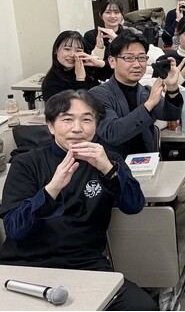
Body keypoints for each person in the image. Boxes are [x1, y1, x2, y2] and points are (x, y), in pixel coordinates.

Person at [0, 90, 157, 310]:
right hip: (25, 264)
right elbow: (15, 228)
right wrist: (52, 188)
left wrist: (108, 170)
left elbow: (134, 205)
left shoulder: (109, 160)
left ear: (96, 125)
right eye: (67, 119)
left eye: (87, 119)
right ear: (51, 126)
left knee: (142, 306)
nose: (77, 128)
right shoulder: (27, 163)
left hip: (86, 264)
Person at [90, 31, 185, 216]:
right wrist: (148, 105)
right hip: (115, 175)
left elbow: (171, 114)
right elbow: (113, 133)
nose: (137, 64)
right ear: (112, 61)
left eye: (142, 58)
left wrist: (172, 88)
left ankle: (153, 222)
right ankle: (145, 222)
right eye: (129, 58)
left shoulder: (144, 91)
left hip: (147, 169)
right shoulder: (98, 94)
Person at [43, 30, 103, 101]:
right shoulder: (51, 83)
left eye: (78, 51)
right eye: (67, 49)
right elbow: (82, 105)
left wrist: (99, 63)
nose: (72, 55)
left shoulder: (88, 69)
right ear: (56, 50)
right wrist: (80, 79)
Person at [84, 0, 131, 81]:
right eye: (108, 12)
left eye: (116, 12)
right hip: (99, 80)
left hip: (124, 78)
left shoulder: (128, 35)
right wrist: (98, 49)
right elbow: (90, 67)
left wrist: (116, 39)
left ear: (122, 15)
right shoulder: (91, 36)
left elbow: (130, 61)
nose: (112, 16)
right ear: (101, 15)